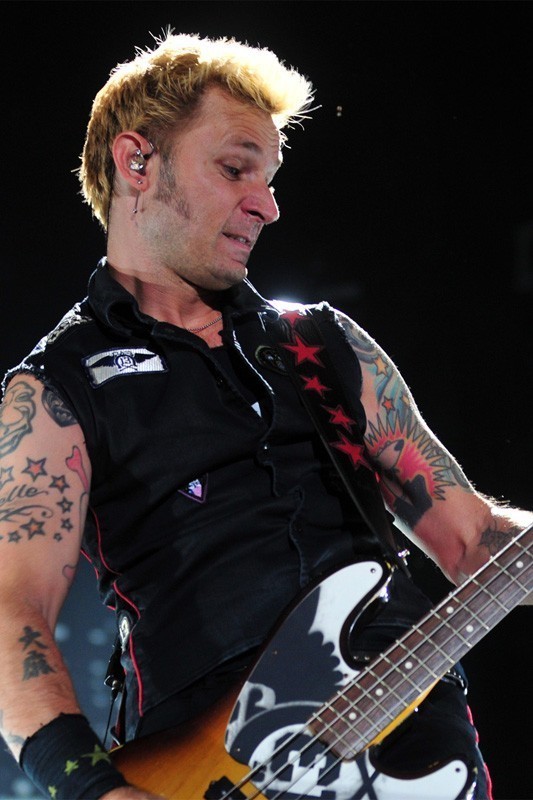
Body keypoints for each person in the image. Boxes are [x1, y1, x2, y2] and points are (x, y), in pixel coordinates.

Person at [0, 31, 531, 800]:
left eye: (271, 177)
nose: (267, 204)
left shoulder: (323, 342)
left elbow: (473, 541)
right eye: (235, 168)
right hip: (216, 769)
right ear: (136, 161)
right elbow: (13, 617)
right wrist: (97, 792)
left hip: (414, 743)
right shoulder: (57, 386)